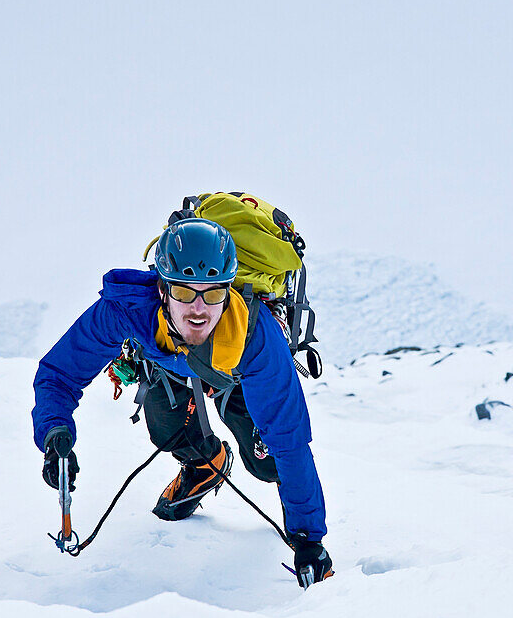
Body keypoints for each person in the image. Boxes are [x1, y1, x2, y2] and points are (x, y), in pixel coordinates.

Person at [31, 216, 332, 585]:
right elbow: (59, 374)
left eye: (213, 293)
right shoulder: (127, 310)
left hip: (233, 369)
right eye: (185, 292)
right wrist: (54, 433)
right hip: (170, 363)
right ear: (162, 289)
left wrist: (307, 538)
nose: (199, 309)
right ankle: (205, 463)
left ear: (228, 292)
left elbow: (289, 437)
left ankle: (248, 461)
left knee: (268, 464)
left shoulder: (255, 336)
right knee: (166, 430)